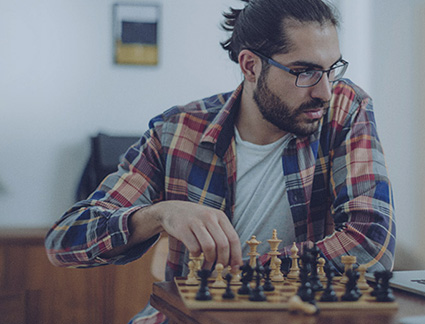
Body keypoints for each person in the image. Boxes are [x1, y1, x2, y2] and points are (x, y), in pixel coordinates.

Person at [45, 0, 396, 322]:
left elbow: (370, 242)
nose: (324, 91)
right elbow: (65, 241)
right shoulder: (175, 132)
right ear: (250, 65)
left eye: (331, 69)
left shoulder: (345, 109)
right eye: (304, 71)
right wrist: (160, 214)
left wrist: (238, 279)